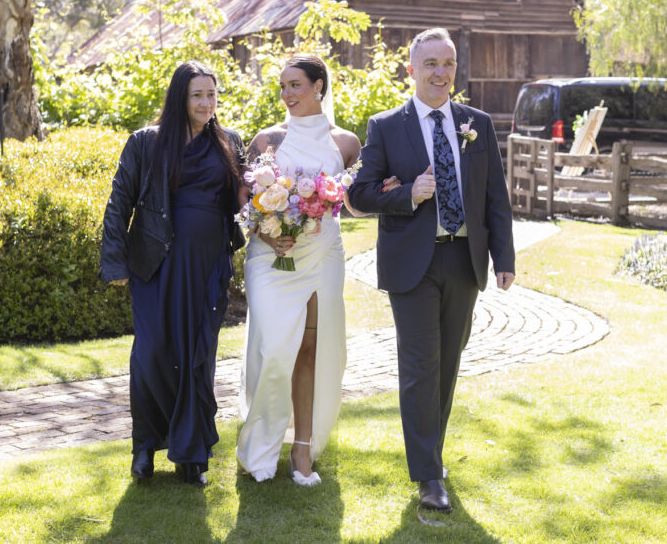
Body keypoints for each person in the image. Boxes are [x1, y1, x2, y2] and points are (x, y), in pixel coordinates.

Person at [347, 28, 516, 512]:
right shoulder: (386, 126)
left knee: (447, 363)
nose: (440, 73)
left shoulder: (477, 123)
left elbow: (494, 198)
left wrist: (503, 258)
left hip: (464, 261)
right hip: (412, 265)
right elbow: (359, 195)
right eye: (430, 65)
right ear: (412, 70)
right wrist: (408, 194)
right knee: (421, 368)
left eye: (448, 64)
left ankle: (431, 455)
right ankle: (428, 477)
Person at [100, 61, 246, 487]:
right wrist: (115, 262)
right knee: (152, 354)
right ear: (180, 97)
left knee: (198, 357)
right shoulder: (147, 142)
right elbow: (119, 202)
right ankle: (145, 447)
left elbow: (242, 202)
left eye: (212, 95)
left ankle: (191, 455)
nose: (206, 103)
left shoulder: (229, 142)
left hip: (208, 267)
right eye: (197, 95)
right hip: (155, 264)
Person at [236, 54, 360, 485]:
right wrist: (269, 233)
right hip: (271, 258)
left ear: (319, 86)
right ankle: (262, 443)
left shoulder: (346, 143)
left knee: (314, 350)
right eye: (283, 87)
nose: (287, 95)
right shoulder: (266, 140)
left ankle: (302, 451)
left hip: (323, 255)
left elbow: (352, 203)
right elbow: (244, 202)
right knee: (273, 350)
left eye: (296, 86)